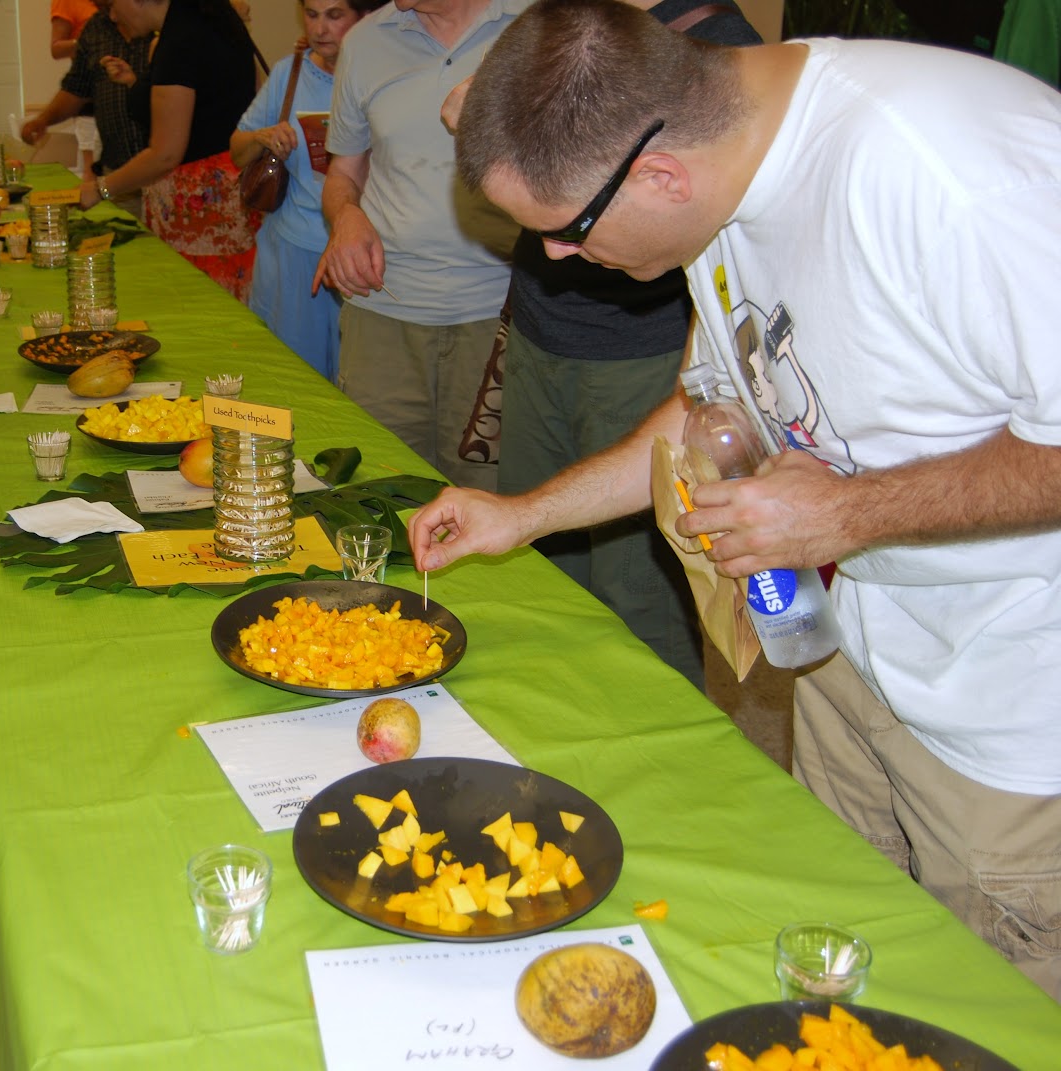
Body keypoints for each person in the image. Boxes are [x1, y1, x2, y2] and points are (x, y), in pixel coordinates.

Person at [414, 0, 1061, 998]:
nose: (553, 261)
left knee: (981, 1005)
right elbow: (710, 400)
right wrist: (524, 514)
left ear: (657, 176)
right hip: (858, 655)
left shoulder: (957, 178)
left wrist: (849, 514)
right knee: (853, 960)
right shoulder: (724, 170)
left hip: (1010, 715)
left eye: (565, 233)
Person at [479, 0, 761, 690]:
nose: (554, 247)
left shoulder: (723, 54)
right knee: (552, 570)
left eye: (572, 229)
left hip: (639, 348)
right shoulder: (561, 31)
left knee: (637, 589)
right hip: (553, 333)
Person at [312, 0, 523, 491]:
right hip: (383, 309)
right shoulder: (366, 41)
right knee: (377, 491)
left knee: (485, 501)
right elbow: (343, 172)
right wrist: (345, 215)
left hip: (497, 317)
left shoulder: (536, 24)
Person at [230, 0, 386, 382]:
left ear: (365, 17)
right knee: (296, 383)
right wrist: (263, 137)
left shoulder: (384, 76)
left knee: (364, 386)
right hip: (292, 256)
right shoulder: (290, 73)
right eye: (312, 15)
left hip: (363, 255)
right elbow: (237, 148)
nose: (320, 29)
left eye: (335, 16)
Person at [79, 0, 262, 301]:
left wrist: (99, 189)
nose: (112, 15)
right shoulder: (211, 16)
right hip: (229, 196)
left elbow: (165, 154)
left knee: (202, 311)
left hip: (201, 212)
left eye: (113, 5)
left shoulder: (180, 39)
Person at [22, 0, 154, 217]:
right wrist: (43, 119)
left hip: (165, 173)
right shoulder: (95, 28)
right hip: (117, 173)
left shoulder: (165, 26)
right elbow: (76, 88)